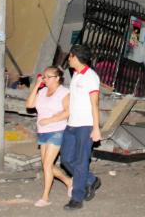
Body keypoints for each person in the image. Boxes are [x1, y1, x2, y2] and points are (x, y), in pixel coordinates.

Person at [60, 44, 102, 211]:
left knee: (80, 162)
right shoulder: (76, 74)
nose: (68, 59)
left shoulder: (91, 77)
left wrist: (96, 128)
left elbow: (95, 103)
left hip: (85, 125)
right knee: (66, 160)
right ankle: (91, 180)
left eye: (69, 56)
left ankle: (77, 198)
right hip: (71, 124)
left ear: (75, 57)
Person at [25, 66, 73, 207]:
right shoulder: (43, 91)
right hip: (43, 131)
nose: (45, 79)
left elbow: (68, 111)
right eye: (44, 76)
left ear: (57, 78)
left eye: (48, 77)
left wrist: (50, 120)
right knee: (47, 165)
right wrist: (36, 86)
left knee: (47, 164)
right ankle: (69, 182)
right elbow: (29, 104)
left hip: (57, 130)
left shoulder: (64, 92)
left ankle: (45, 197)